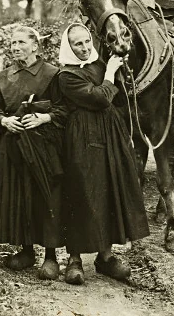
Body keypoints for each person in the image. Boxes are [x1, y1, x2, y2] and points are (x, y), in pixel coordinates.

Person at [57, 23, 150, 285]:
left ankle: (105, 257)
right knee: (82, 191)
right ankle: (74, 258)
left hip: (110, 135)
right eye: (78, 44)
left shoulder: (99, 65)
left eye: (87, 41)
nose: (85, 47)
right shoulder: (66, 75)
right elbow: (99, 98)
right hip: (82, 138)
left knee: (108, 189)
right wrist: (110, 73)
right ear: (69, 47)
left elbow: (119, 97)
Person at [0, 26, 67, 280]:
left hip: (44, 148)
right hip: (13, 148)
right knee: (20, 197)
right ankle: (27, 250)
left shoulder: (53, 74)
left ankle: (51, 257)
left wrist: (44, 117)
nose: (16, 47)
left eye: (21, 42)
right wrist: (3, 121)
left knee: (46, 197)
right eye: (13, 43)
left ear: (35, 46)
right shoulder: (6, 76)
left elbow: (65, 109)